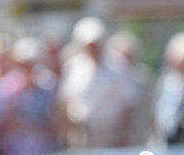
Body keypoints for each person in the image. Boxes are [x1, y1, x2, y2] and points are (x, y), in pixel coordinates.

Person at [58, 17, 136, 148]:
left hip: (110, 133)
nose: (93, 49)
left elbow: (128, 102)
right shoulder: (73, 66)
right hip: (81, 132)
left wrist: (123, 134)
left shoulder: (118, 65)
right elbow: (65, 100)